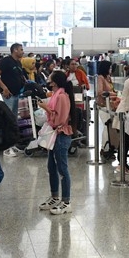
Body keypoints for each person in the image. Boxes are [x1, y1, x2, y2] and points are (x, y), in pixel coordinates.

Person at [37, 71, 78, 215]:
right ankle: (55, 197)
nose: (48, 78)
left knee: (62, 169)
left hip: (61, 134)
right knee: (51, 167)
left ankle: (66, 201)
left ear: (54, 81)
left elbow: (59, 120)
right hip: (54, 135)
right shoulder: (56, 94)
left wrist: (46, 108)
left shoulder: (62, 96)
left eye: (50, 77)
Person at [0, 43, 26, 157]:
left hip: (17, 95)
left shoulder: (18, 62)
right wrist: (4, 88)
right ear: (15, 50)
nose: (23, 51)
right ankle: (5, 147)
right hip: (8, 96)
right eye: (21, 49)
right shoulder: (6, 61)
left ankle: (12, 144)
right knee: (7, 120)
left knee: (13, 121)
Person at [96, 60, 118, 158]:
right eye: (109, 68)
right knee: (107, 126)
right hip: (104, 105)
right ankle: (104, 148)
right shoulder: (100, 78)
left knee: (111, 127)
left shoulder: (108, 77)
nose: (110, 70)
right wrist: (111, 94)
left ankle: (111, 146)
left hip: (111, 105)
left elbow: (111, 89)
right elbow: (100, 92)